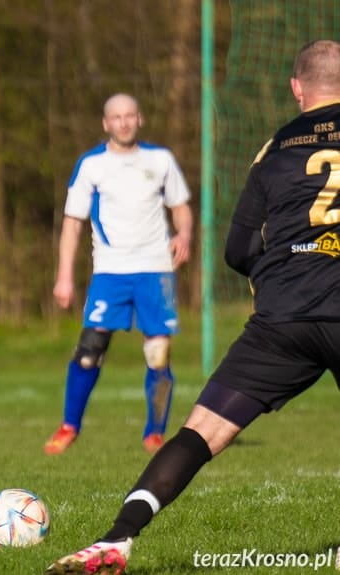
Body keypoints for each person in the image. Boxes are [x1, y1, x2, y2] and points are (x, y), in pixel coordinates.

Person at [44, 39, 340, 575]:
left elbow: (238, 250)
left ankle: (118, 537)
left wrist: (284, 277)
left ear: (297, 87)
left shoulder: (274, 150)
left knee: (202, 431)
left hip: (282, 320)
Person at [44, 93, 193, 455]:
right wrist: (64, 276)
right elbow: (72, 223)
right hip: (110, 273)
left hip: (156, 271)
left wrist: (185, 234)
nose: (124, 122)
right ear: (105, 123)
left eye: (130, 116)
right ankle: (69, 426)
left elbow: (181, 207)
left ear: (140, 119)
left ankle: (154, 434)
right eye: (116, 117)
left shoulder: (160, 160)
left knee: (158, 353)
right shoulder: (91, 165)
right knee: (88, 351)